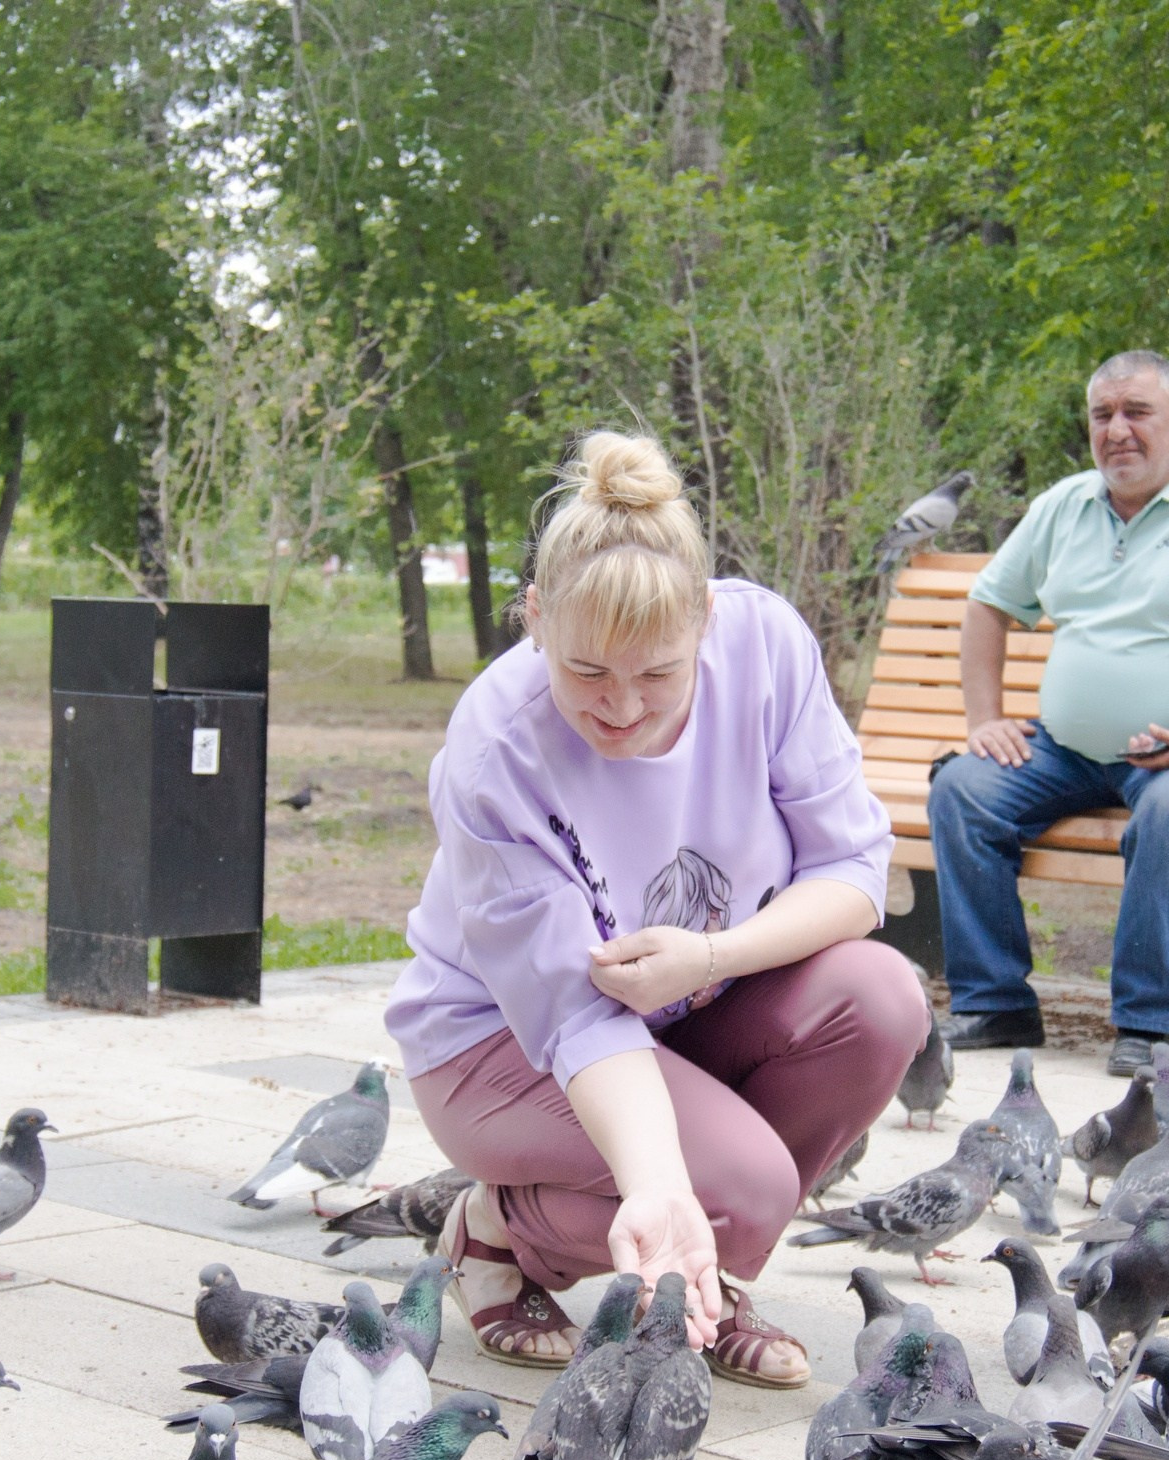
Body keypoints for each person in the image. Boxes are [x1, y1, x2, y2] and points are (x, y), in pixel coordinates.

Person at [386, 430, 929, 1388]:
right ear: (536, 618)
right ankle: (500, 1234)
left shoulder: (765, 646)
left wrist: (714, 956)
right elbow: (575, 1014)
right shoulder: (494, 751)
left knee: (883, 1000)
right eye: (586, 673)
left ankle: (702, 1255)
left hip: (693, 996)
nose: (624, 708)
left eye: (660, 674)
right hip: (502, 1043)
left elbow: (855, 873)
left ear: (707, 622)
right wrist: (659, 1182)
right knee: (743, 1187)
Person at [926, 349, 1169, 1076]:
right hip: (1071, 750)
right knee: (963, 789)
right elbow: (988, 605)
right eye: (1103, 415)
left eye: (1138, 412)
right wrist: (985, 719)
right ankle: (996, 1001)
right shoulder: (1064, 507)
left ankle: (1145, 1025)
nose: (1118, 430)